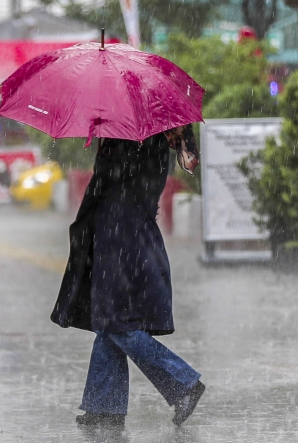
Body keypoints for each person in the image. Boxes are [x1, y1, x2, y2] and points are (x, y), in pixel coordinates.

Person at [50, 125, 204, 430]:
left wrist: (106, 147)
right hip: (126, 228)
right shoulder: (155, 130)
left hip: (120, 231)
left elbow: (114, 181)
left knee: (117, 320)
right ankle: (104, 407)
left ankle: (183, 382)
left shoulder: (130, 133)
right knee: (109, 319)